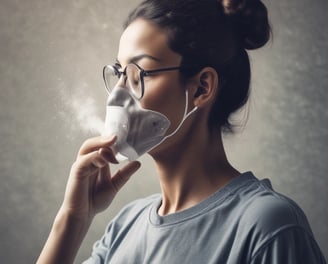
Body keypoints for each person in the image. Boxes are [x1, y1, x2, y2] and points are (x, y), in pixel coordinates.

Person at [37, 0, 327, 263]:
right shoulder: (125, 227)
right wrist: (74, 218)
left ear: (202, 88)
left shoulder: (267, 227)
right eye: (120, 73)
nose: (118, 95)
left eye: (139, 73)